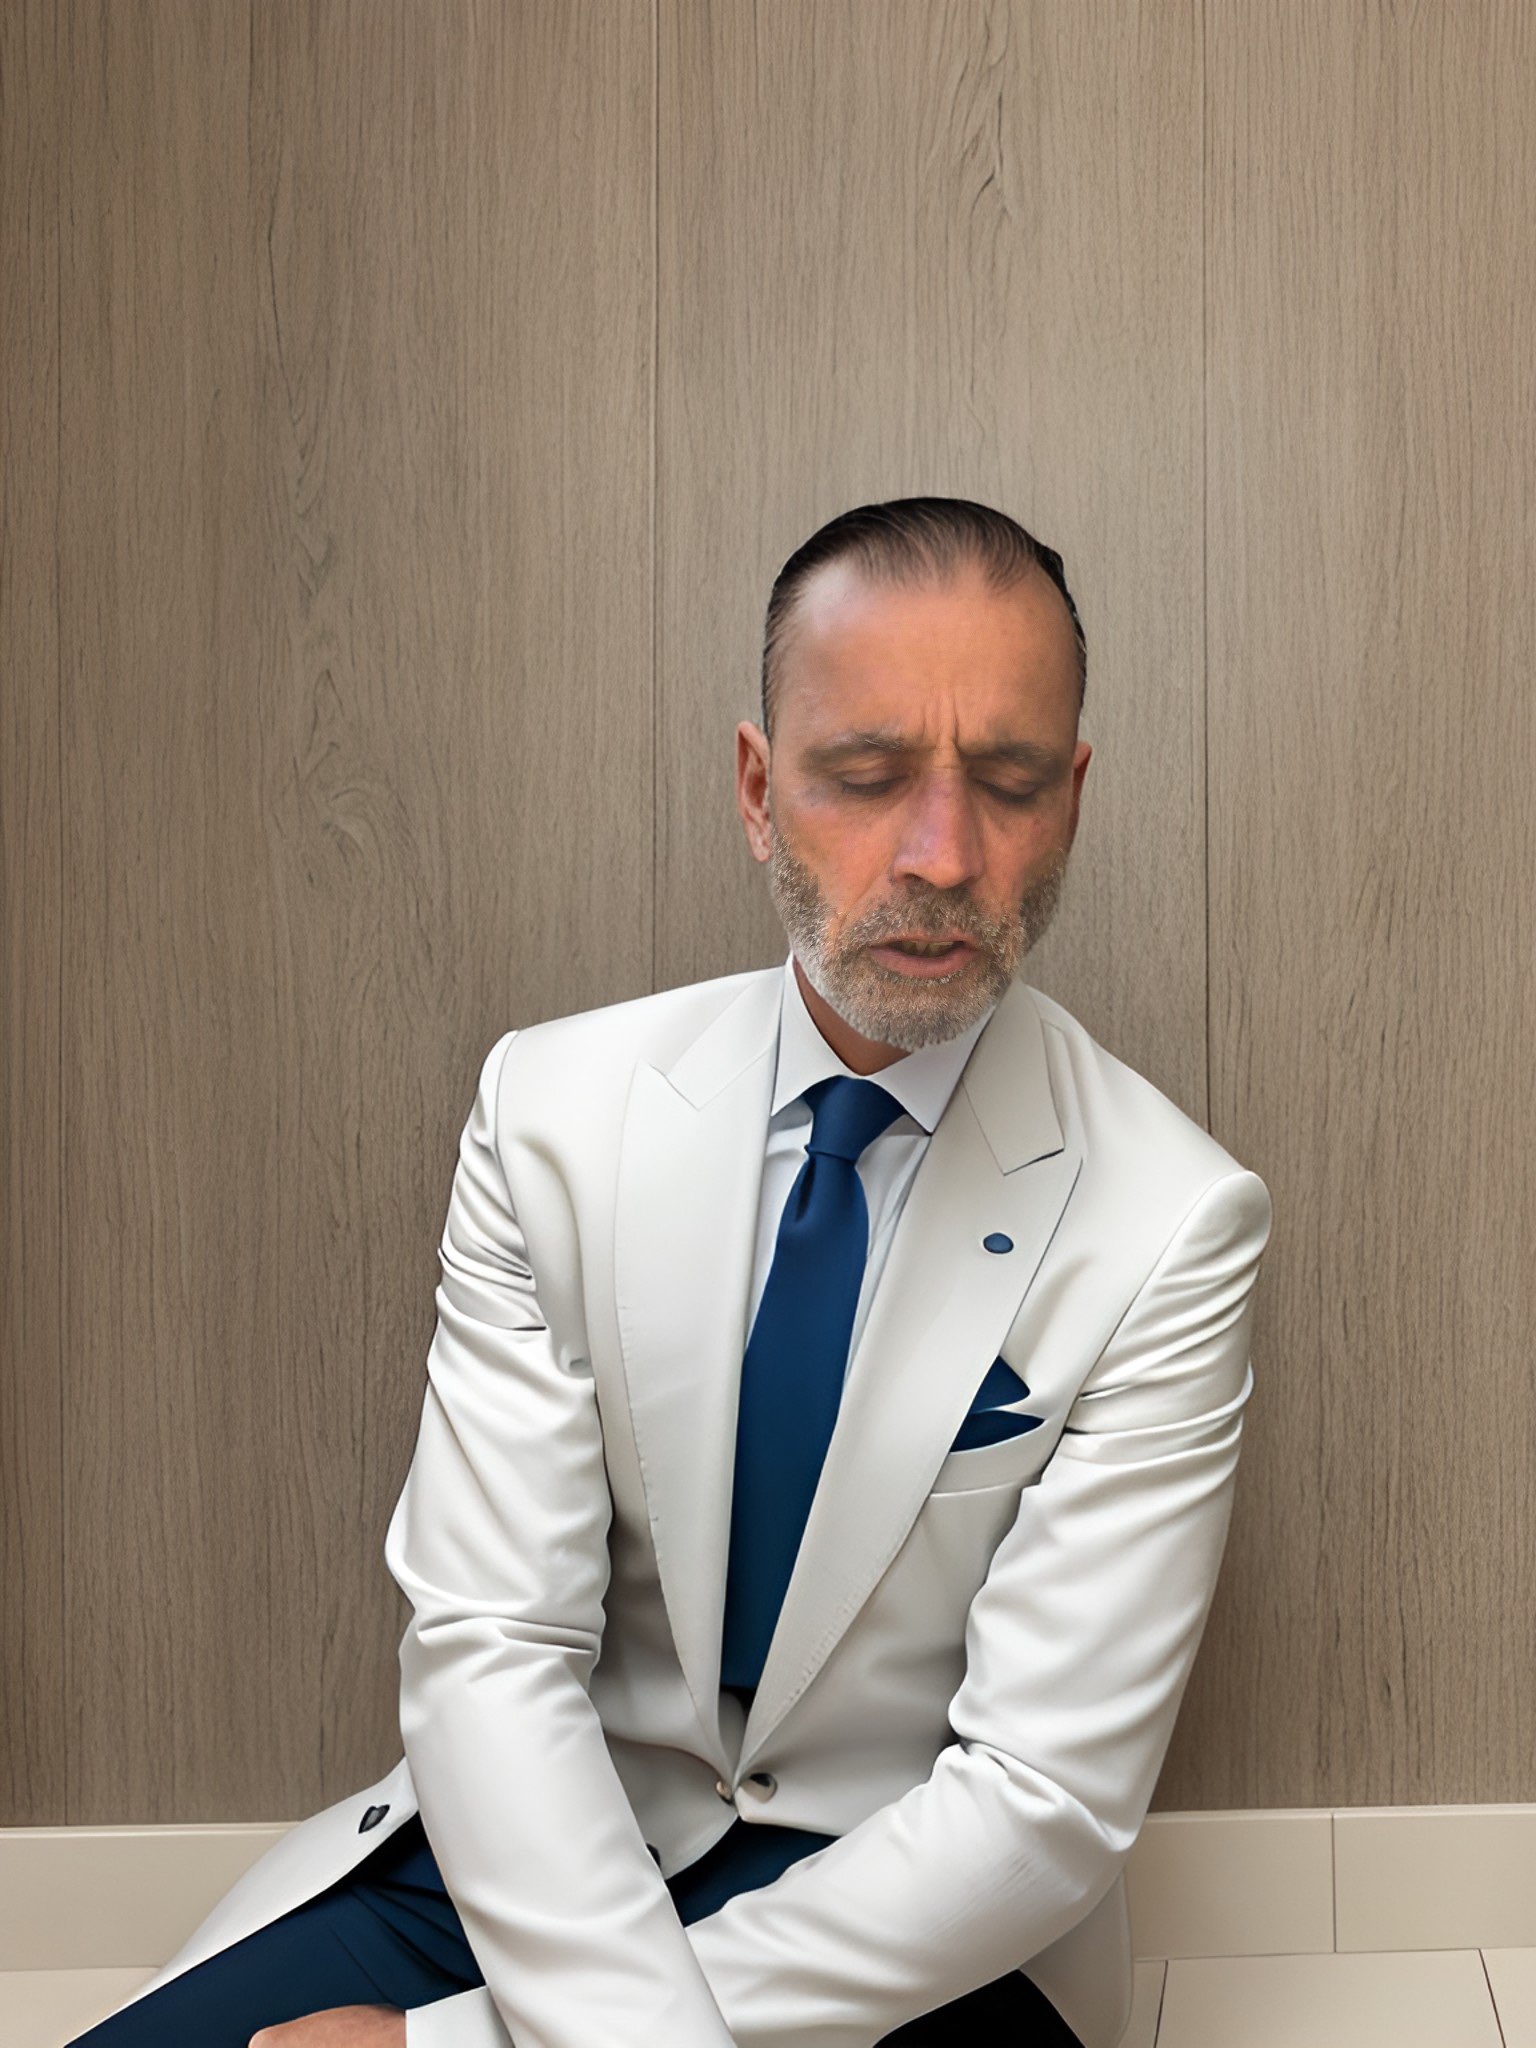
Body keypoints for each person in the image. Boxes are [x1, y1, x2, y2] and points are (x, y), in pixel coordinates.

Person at [75, 498, 1271, 2048]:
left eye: (1010, 780)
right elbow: (494, 1639)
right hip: (532, 1859)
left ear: (1073, 801)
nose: (943, 854)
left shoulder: (1174, 1219)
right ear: (760, 792)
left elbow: (1036, 1803)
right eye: (868, 775)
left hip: (907, 1929)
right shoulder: (551, 1114)